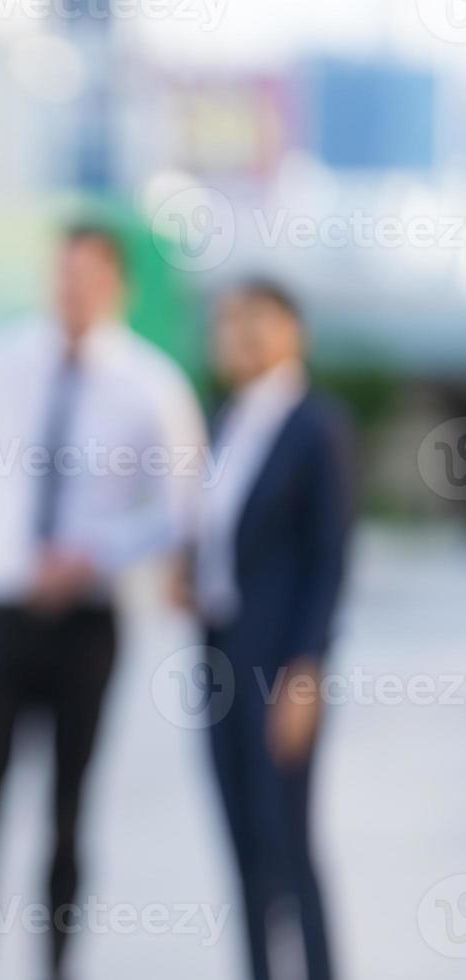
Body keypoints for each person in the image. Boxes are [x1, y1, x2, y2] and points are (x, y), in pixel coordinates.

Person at [0, 225, 206, 980]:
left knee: (69, 812)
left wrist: (98, 555)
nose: (73, 292)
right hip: (3, 616)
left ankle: (56, 966)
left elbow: (182, 505)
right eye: (63, 276)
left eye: (89, 278)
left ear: (118, 289)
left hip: (87, 623)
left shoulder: (150, 382)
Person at [188, 280, 351, 980]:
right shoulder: (226, 419)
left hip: (279, 664)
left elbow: (329, 558)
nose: (242, 335)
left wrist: (306, 669)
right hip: (220, 651)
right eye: (230, 322)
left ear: (293, 331)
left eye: (258, 321)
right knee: (242, 846)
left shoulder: (315, 425)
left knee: (287, 839)